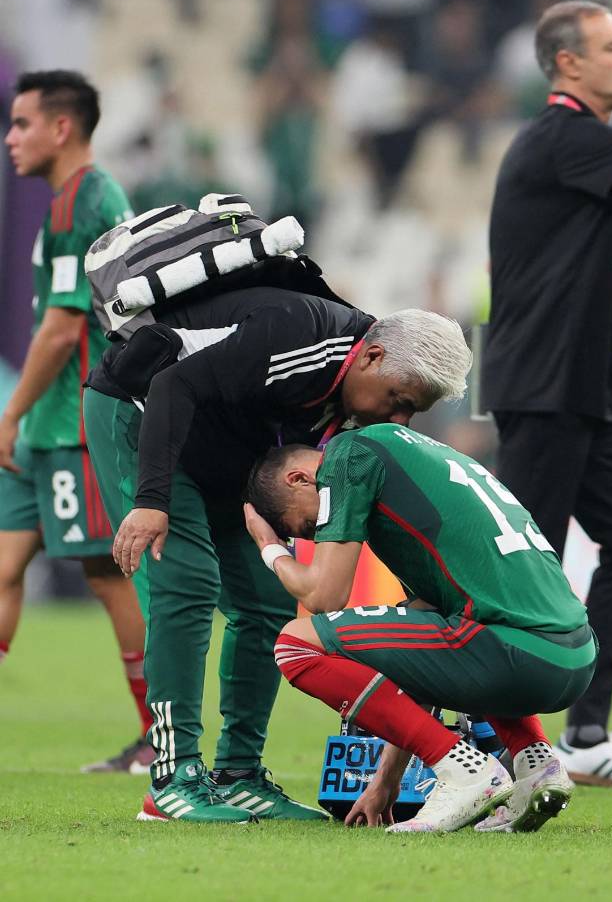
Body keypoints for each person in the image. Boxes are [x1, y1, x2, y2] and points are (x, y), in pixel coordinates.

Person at [83, 287, 472, 823]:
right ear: (374, 357)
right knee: (188, 584)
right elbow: (174, 383)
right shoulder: (300, 335)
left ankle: (239, 774)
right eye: (400, 400)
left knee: (268, 599)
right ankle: (172, 780)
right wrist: (151, 502)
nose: (400, 418)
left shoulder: (358, 399)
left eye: (413, 411)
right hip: (142, 412)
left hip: (222, 445)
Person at [481, 1, 612, 788]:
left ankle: (585, 734)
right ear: (567, 64)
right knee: (522, 572)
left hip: (588, 390)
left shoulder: (579, 141)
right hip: (542, 389)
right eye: (611, 46)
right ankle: (482, 744)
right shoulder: (559, 135)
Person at [244, 422, 597, 833]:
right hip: (574, 656)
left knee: (296, 645)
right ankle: (535, 762)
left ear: (300, 479)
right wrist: (386, 781)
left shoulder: (349, 455)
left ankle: (468, 773)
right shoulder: (419, 464)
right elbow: (418, 662)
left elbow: (324, 598)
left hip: (515, 653)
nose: (320, 534)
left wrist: (270, 548)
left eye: (307, 528)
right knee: (448, 633)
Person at [0, 70, 154, 774]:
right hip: (49, 427)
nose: (10, 138)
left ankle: (163, 734)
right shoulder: (75, 198)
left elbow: (62, 329)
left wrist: (11, 412)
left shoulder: (81, 203)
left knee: (108, 573)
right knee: (4, 568)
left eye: (22, 123)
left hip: (73, 421)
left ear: (62, 128)